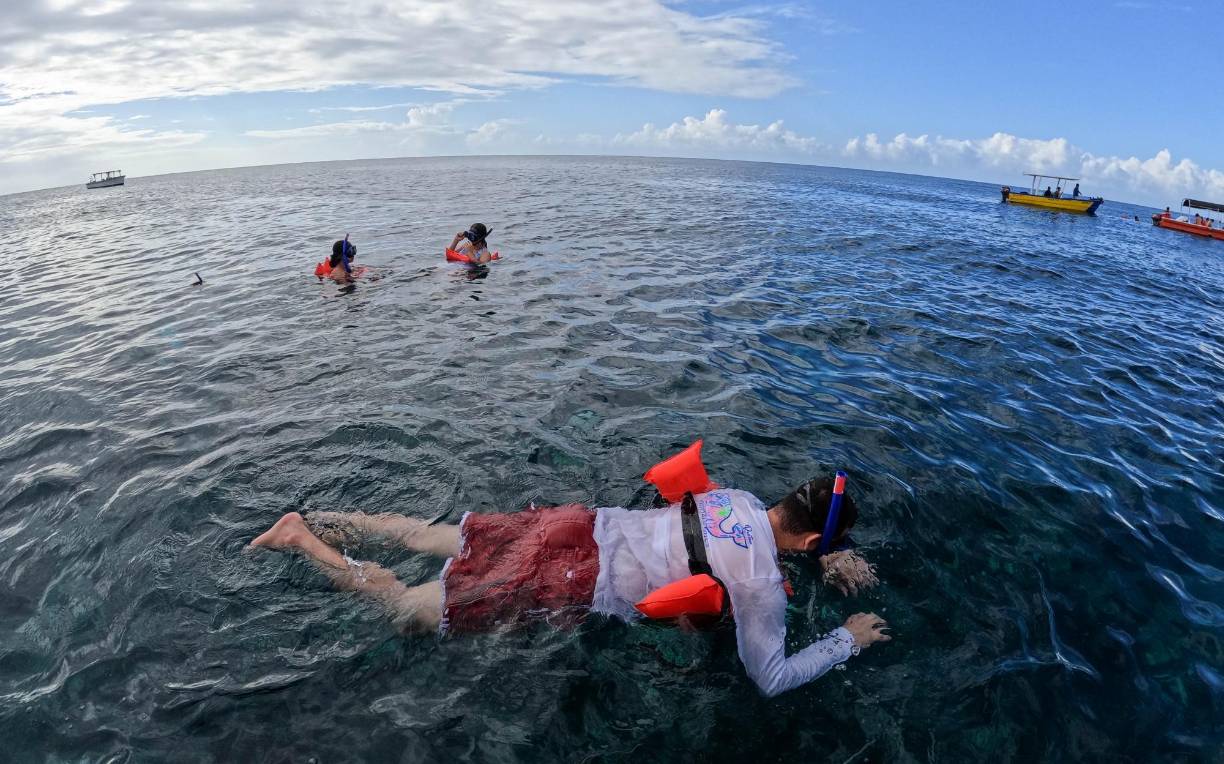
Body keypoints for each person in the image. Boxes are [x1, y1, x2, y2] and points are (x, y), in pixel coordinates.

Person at [250, 476, 891, 698]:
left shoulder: (738, 499)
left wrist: (822, 554)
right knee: (410, 610)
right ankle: (302, 539)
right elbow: (771, 677)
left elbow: (763, 538)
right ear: (812, 545)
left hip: (576, 524)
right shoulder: (761, 591)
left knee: (428, 535)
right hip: (568, 577)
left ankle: (335, 519)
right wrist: (845, 640)